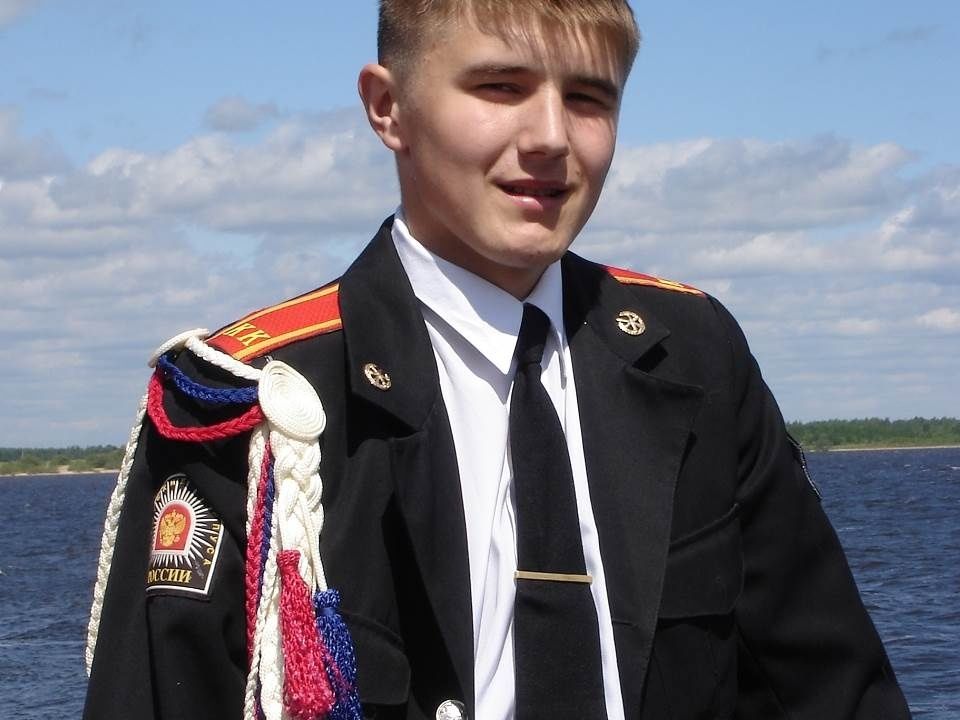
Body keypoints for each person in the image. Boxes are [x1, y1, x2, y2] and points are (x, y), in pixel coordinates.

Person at [83, 1, 912, 719]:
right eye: (500, 88)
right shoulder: (254, 402)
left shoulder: (693, 358)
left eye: (588, 98)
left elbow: (830, 690)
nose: (551, 137)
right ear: (388, 109)